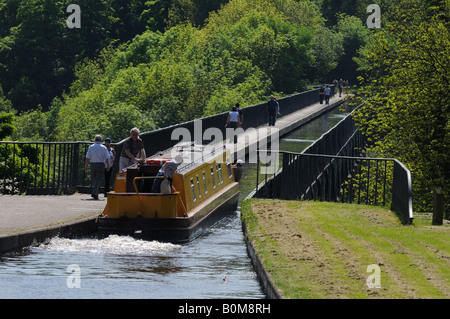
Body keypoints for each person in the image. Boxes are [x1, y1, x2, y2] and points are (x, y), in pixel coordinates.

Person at [85, 135, 110, 200]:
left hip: (92, 164)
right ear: (100, 140)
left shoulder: (91, 147)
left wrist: (86, 166)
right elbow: (107, 158)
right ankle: (95, 193)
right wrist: (108, 165)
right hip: (100, 164)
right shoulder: (103, 147)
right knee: (98, 179)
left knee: (94, 179)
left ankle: (95, 193)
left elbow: (88, 157)